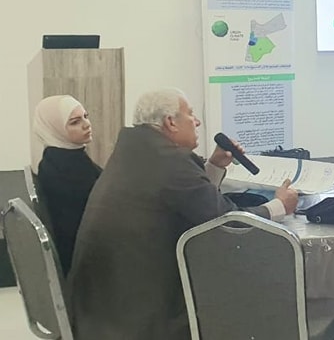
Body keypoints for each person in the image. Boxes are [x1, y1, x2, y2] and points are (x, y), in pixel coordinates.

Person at [67, 88, 299, 340]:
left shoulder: (138, 149)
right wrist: (279, 206)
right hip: (143, 314)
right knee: (252, 293)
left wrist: (214, 166)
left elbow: (192, 203)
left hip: (102, 308)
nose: (197, 122)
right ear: (171, 122)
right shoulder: (169, 160)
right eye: (190, 114)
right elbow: (226, 224)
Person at [32, 95, 100, 275]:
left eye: (85, 116)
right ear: (54, 129)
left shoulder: (64, 158)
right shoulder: (64, 167)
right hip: (84, 262)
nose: (86, 124)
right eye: (75, 122)